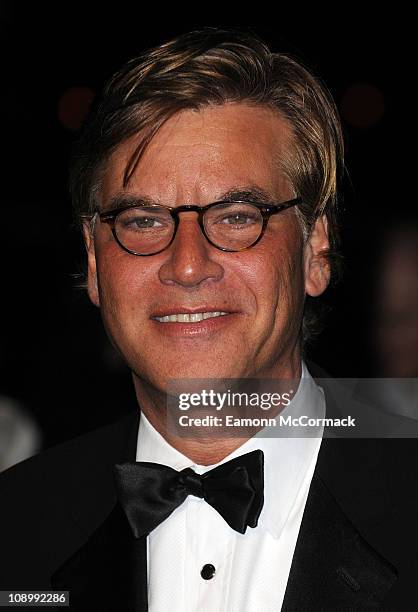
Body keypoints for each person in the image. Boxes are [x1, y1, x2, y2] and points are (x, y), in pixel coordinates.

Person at [0, 28, 413, 611]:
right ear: (95, 262)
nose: (187, 265)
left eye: (237, 216)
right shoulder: (15, 523)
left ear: (315, 250)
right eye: (142, 221)